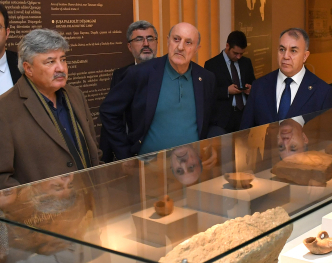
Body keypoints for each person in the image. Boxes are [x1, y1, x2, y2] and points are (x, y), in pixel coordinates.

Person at [0, 29, 100, 191]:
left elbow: (94, 152)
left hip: (90, 202)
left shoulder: (75, 95)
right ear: (28, 69)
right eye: (50, 62)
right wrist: (38, 201)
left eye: (62, 60)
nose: (60, 68)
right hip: (44, 212)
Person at [99, 22, 215, 160]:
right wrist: (124, 153)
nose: (180, 47)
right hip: (150, 169)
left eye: (188, 42)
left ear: (196, 48)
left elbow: (212, 120)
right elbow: (108, 111)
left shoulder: (206, 78)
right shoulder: (141, 73)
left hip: (190, 167)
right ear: (167, 41)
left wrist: (212, 146)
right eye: (176, 39)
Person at [240, 28, 332, 129]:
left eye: (293, 51)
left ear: (305, 56)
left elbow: (326, 138)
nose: (285, 56)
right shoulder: (259, 86)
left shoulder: (322, 92)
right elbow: (245, 133)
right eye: (282, 49)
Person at [99, 21, 159, 162]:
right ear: (129, 46)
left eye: (150, 38)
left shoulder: (168, 72)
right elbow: (113, 115)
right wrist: (119, 156)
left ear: (157, 42)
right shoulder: (120, 75)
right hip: (132, 153)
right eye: (139, 39)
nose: (146, 44)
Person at [204, 30, 257, 133]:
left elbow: (254, 83)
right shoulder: (212, 65)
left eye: (241, 54)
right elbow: (208, 92)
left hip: (244, 115)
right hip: (223, 119)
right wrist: (227, 91)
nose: (238, 57)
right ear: (227, 46)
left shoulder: (246, 62)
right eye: (235, 53)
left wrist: (251, 89)